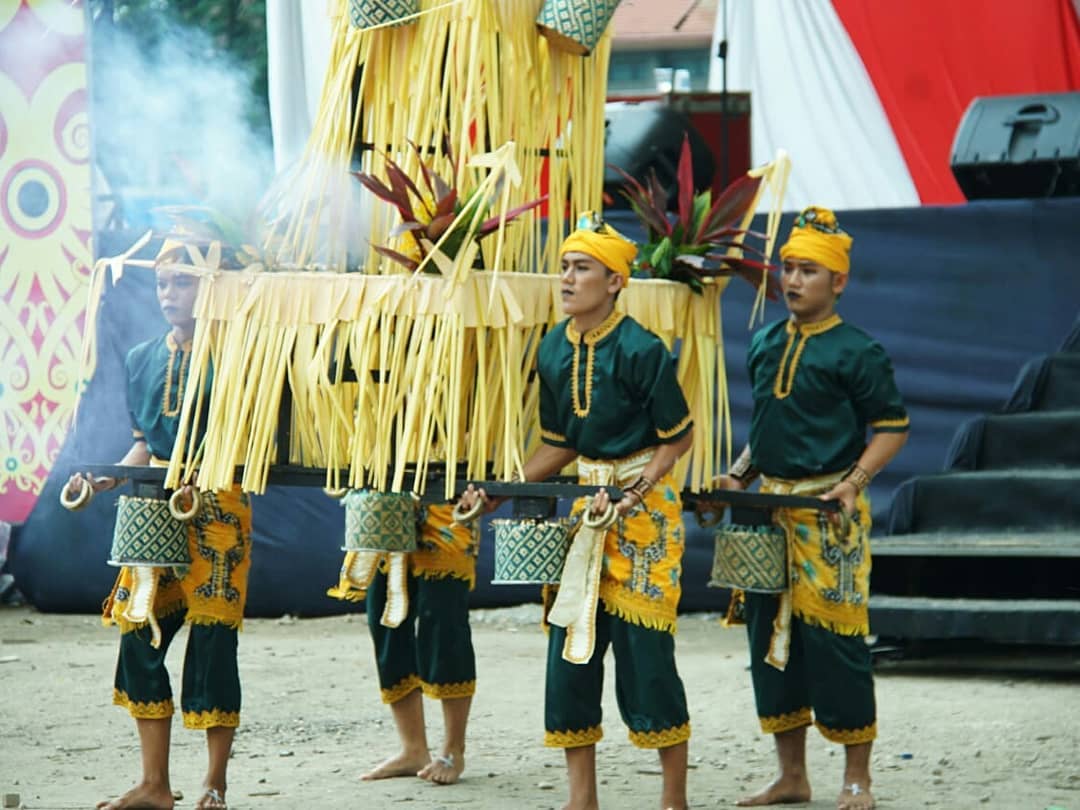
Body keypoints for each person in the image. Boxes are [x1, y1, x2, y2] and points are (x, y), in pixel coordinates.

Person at [460, 212, 695, 810]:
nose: (566, 278)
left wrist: (637, 490)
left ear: (615, 281)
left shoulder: (643, 349)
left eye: (582, 267)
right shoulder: (551, 350)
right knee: (572, 645)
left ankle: (673, 800)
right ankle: (580, 798)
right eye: (563, 266)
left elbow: (677, 438)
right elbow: (560, 444)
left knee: (647, 652)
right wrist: (499, 490)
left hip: (642, 514)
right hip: (581, 504)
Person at [716, 206, 909, 810]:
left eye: (807, 271)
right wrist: (739, 474)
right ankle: (792, 775)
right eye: (788, 269)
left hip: (828, 515)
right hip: (767, 509)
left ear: (839, 282)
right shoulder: (768, 341)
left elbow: (892, 429)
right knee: (769, 642)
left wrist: (852, 483)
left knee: (838, 641)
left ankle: (858, 778)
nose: (792, 281)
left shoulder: (859, 351)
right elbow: (768, 425)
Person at [66, 266, 253, 810]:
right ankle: (155, 785)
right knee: (138, 634)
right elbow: (145, 446)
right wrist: (107, 478)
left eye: (183, 282)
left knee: (214, 644)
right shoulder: (141, 358)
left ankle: (214, 783)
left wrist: (209, 470)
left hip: (217, 506)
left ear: (210, 287)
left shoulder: (240, 357)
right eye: (163, 283)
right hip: (154, 506)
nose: (170, 294)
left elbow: (251, 439)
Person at [327, 500, 480, 785]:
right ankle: (413, 749)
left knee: (444, 622)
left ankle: (453, 748)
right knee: (384, 620)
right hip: (386, 497)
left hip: (448, 497)